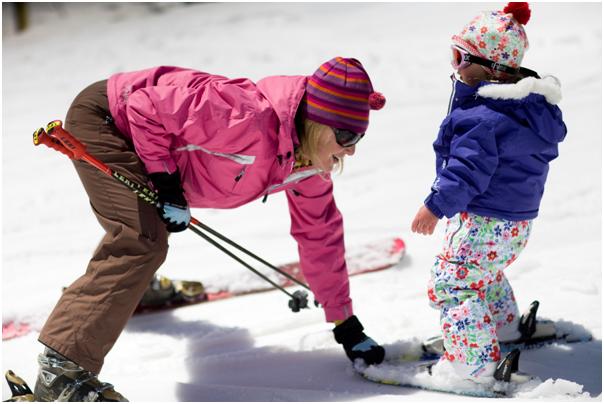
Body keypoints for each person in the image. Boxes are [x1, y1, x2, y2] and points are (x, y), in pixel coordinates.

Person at [34, 57, 387, 401]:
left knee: (148, 234)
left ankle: (136, 286)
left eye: (359, 137)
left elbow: (320, 234)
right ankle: (61, 372)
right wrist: (167, 184)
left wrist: (344, 322)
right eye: (345, 134)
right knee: (141, 241)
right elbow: (143, 107)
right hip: (108, 118)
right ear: (315, 122)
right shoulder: (245, 114)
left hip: (144, 136)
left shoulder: (306, 165)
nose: (351, 150)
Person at [411, 2, 567, 384]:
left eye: (460, 58)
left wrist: (434, 206)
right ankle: (502, 328)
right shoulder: (527, 111)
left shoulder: (483, 118)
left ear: (491, 68)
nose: (455, 66)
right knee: (483, 271)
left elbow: (466, 171)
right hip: (513, 227)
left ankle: (473, 364)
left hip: (483, 220)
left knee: (454, 280)